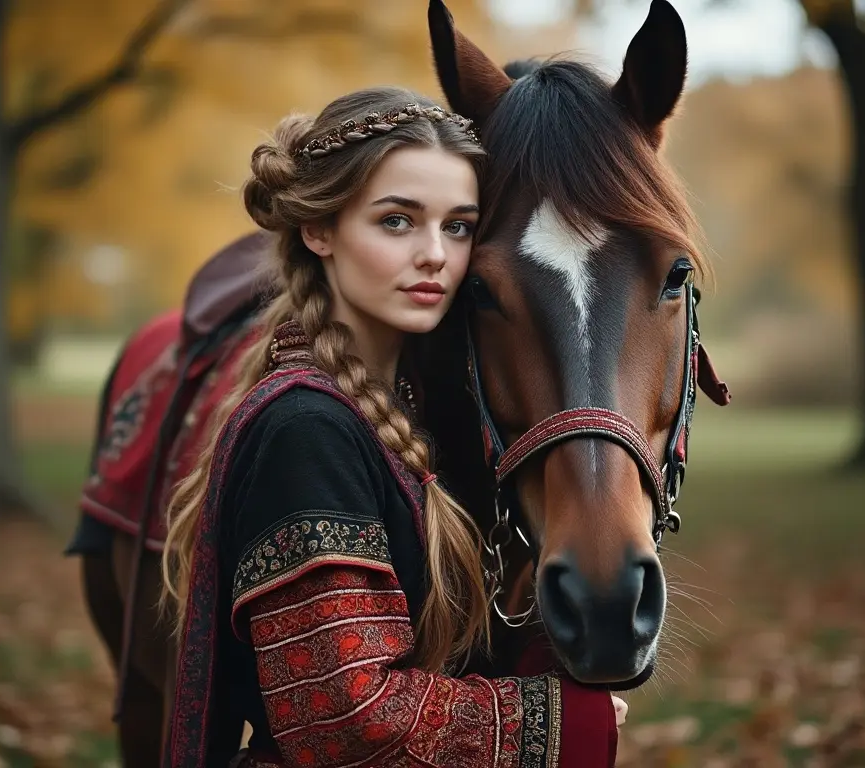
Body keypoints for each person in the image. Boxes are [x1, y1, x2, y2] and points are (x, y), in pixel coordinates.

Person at [159, 85, 622, 768]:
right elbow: (340, 717)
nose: (435, 253)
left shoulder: (403, 412)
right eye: (397, 222)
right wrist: (569, 721)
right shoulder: (306, 428)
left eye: (458, 225)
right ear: (319, 230)